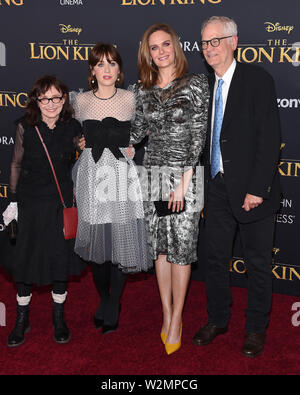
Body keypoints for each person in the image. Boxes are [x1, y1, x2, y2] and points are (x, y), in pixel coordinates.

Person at [192, 16, 281, 357]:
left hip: (252, 192)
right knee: (215, 259)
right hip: (216, 187)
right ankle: (218, 318)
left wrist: (258, 188)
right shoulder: (204, 85)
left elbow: (270, 137)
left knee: (257, 263)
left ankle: (256, 328)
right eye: (204, 43)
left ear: (234, 42)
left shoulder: (257, 79)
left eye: (216, 41)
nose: (209, 48)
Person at [130, 23, 209, 355]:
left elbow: (198, 135)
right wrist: (95, 140)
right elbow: (135, 134)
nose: (160, 51)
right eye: (154, 47)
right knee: (161, 251)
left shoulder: (195, 84)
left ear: (176, 46)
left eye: (165, 45)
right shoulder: (142, 90)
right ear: (147, 53)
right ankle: (166, 313)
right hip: (154, 176)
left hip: (185, 179)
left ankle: (177, 319)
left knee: (181, 252)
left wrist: (184, 183)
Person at [73, 43, 151, 335]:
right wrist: (77, 142)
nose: (106, 70)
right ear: (92, 70)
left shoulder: (131, 99)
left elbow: (144, 128)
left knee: (121, 240)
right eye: (100, 64)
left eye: (112, 64)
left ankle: (114, 302)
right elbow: (71, 133)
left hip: (121, 176)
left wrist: (133, 145)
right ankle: (104, 299)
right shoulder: (79, 102)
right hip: (91, 177)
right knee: (97, 244)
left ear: (120, 70)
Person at [2, 75, 86, 347]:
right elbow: (15, 165)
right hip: (29, 204)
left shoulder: (73, 126)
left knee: (59, 261)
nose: (51, 104)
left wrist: (86, 148)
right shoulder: (25, 126)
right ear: (36, 101)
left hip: (60, 204)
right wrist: (13, 202)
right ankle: (21, 319)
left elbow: (84, 158)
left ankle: (58, 318)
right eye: (45, 98)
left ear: (64, 100)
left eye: (56, 98)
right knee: (25, 262)